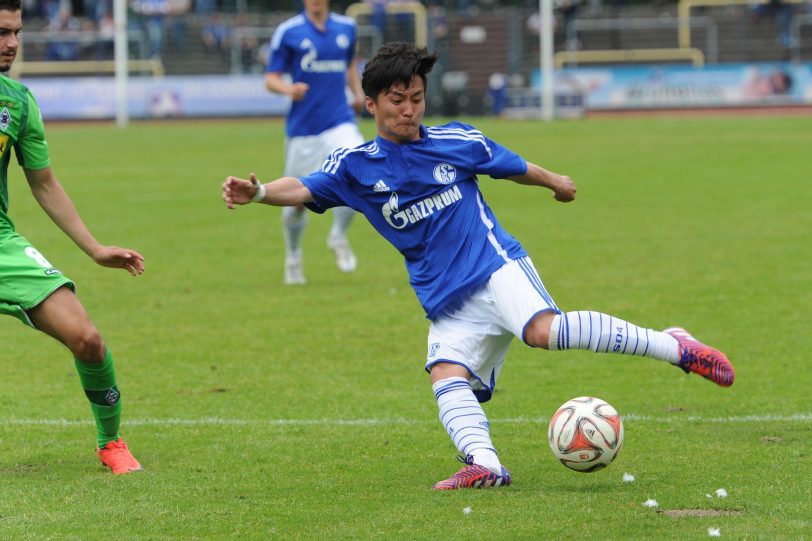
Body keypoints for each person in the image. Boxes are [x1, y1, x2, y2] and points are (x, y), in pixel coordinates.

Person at [223, 42, 735, 490]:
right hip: (445, 298)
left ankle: (677, 347)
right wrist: (262, 192)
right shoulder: (355, 167)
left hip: (494, 266)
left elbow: (511, 165)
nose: (409, 110)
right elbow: (306, 186)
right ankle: (485, 465)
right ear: (372, 103)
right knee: (446, 374)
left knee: (544, 331)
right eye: (397, 101)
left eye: (417, 99)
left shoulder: (455, 142)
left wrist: (555, 180)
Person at [0, 0, 143, 474]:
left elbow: (43, 183)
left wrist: (95, 248)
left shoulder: (17, 103)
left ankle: (111, 442)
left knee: (87, 338)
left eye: (16, 32)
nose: (12, 44)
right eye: (2, 32)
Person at [264, 0, 365, 285]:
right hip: (304, 130)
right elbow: (270, 79)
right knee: (295, 200)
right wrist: (288, 88)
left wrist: (357, 93)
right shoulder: (289, 31)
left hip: (339, 122)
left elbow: (349, 66)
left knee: (359, 171)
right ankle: (293, 258)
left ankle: (339, 235)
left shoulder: (347, 27)